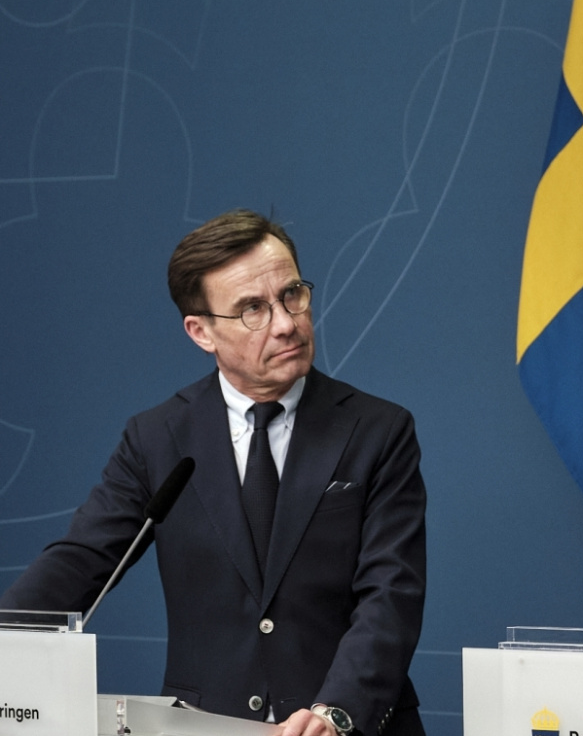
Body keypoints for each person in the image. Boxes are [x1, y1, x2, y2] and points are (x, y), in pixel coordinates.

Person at [0, 210, 427, 736]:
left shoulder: (379, 430)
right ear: (201, 332)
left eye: (292, 294)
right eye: (252, 309)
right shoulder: (158, 438)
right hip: (205, 725)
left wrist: (336, 711)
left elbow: (391, 593)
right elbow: (79, 564)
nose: (286, 323)